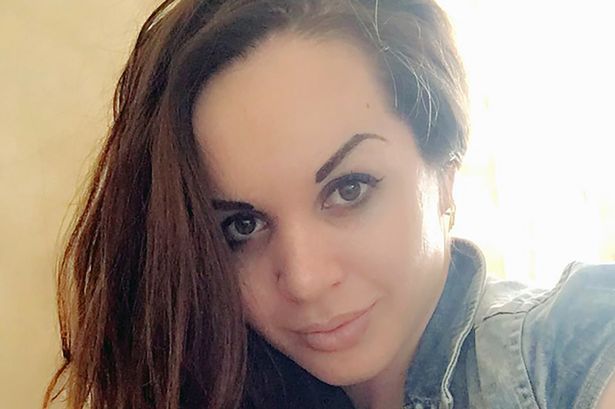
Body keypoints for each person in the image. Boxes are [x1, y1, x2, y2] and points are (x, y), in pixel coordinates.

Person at [44, 0, 615, 408]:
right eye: (242, 225)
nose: (305, 280)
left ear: (444, 171)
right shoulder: (227, 382)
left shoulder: (562, 349)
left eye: (349, 189)